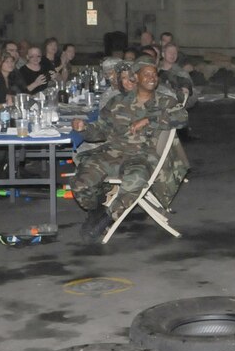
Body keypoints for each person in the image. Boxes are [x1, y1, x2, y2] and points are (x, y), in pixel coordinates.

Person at [70, 59, 189, 240]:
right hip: (112, 153)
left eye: (154, 74)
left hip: (142, 156)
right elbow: (100, 130)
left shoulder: (165, 101)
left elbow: (182, 117)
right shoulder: (117, 102)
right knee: (80, 183)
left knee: (135, 179)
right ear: (137, 77)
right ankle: (96, 209)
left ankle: (108, 217)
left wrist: (149, 120)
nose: (152, 78)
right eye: (147, 74)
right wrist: (84, 128)